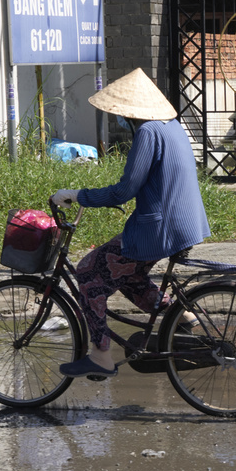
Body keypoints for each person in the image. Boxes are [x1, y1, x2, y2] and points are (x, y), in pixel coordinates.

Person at [51, 68, 210, 379]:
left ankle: (100, 355)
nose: (118, 118)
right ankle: (183, 317)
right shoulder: (172, 127)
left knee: (88, 273)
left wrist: (78, 195)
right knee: (128, 275)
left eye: (119, 113)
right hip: (185, 224)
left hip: (159, 228)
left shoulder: (148, 133)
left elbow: (125, 191)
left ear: (128, 112)